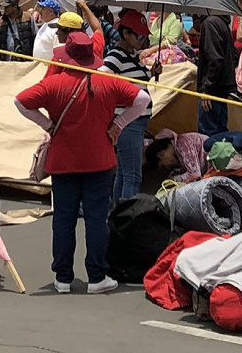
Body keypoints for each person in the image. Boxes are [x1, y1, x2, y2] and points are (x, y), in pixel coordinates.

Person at [14, 33, 150, 293]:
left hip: (63, 162)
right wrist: (119, 124)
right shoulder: (109, 81)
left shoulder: (53, 84)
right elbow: (142, 99)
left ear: (68, 55)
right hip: (99, 160)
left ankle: (63, 277)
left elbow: (20, 101)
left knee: (63, 219)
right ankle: (97, 277)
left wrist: (47, 124)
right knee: (96, 219)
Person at [101, 9, 152, 201]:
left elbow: (138, 80)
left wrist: (152, 72)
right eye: (138, 36)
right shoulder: (115, 57)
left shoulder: (133, 55)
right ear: (125, 34)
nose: (142, 40)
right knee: (133, 176)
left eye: (145, 36)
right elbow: (101, 78)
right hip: (129, 122)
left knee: (124, 173)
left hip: (136, 122)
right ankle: (128, 214)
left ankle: (118, 212)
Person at [195, 13, 237, 136]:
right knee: (220, 132)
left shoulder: (210, 23)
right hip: (221, 88)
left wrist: (207, 89)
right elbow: (234, 55)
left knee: (208, 134)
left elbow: (215, 59)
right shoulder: (221, 23)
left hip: (213, 90)